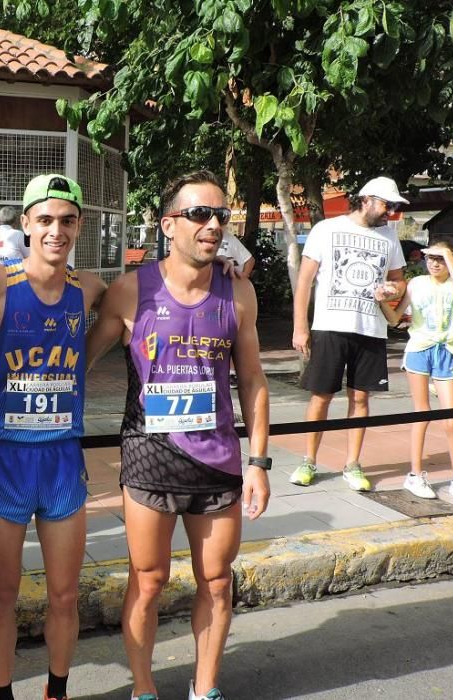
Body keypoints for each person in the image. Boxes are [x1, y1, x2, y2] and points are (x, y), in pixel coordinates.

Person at [86, 170, 270, 700]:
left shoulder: (237, 292)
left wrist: (259, 463)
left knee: (216, 581)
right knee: (148, 580)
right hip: (149, 457)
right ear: (168, 224)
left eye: (221, 216)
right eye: (199, 214)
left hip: (218, 461)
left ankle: (205, 688)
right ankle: (144, 690)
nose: (213, 225)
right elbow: (80, 361)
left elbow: (254, 381)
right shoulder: (129, 290)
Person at [0, 174, 107, 700]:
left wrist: (230, 265)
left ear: (79, 226)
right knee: (3, 594)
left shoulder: (91, 288)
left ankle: (57, 689)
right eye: (46, 220)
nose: (57, 231)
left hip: (60, 461)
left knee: (64, 594)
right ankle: (3, 694)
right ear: (26, 224)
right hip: (3, 460)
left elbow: (156, 289)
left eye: (68, 221)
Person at [291, 176, 408, 491]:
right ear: (367, 199)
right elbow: (305, 280)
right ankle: (308, 461)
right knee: (321, 396)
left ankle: (353, 464)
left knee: (360, 398)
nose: (391, 212)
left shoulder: (389, 238)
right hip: (330, 327)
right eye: (387, 204)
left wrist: (391, 289)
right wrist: (300, 326)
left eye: (394, 206)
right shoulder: (325, 230)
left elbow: (400, 280)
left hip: (370, 329)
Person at [378, 238, 453, 504]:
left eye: (440, 258)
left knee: (451, 419)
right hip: (418, 350)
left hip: (446, 353)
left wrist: (447, 254)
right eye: (430, 257)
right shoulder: (417, 284)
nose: (433, 263)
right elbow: (396, 319)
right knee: (422, 413)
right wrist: (382, 300)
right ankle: (415, 474)